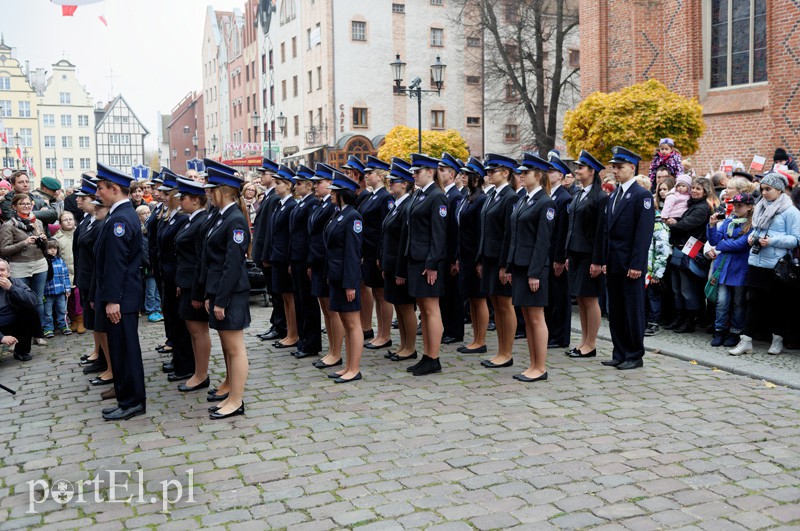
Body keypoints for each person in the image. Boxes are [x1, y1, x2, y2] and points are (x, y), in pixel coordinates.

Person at [93, 163, 146, 421]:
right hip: (121, 296)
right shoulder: (120, 215)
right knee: (120, 349)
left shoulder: (121, 219)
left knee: (126, 351)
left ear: (114, 189)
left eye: (101, 189)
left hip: (122, 298)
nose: (98, 194)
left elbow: (117, 264)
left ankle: (133, 401)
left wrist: (113, 300)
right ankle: (126, 398)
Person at [201, 160, 251, 418]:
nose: (208, 193)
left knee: (235, 348)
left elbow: (232, 265)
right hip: (220, 291)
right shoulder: (222, 217)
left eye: (212, 189)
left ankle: (237, 401)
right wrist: (211, 295)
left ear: (225, 191)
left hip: (231, 293)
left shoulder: (234, 219)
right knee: (228, 347)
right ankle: (231, 394)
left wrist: (220, 299)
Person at [729, 173, 800, 356]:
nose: (764, 192)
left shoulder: (790, 211)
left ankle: (777, 339)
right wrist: (753, 238)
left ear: (779, 189)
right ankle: (746, 341)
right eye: (762, 189)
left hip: (777, 265)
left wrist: (773, 240)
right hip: (756, 261)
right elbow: (755, 230)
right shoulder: (760, 206)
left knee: (777, 304)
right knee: (752, 301)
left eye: (768, 189)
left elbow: (796, 239)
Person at [602, 147, 655, 370]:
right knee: (615, 309)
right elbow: (608, 231)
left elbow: (643, 234)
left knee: (632, 309)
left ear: (632, 168)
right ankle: (619, 351)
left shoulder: (641, 195)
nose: (615, 170)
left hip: (630, 264)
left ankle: (634, 354)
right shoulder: (614, 194)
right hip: (614, 262)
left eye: (620, 167)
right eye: (613, 167)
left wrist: (636, 264)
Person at [507, 154, 555, 382]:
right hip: (519, 266)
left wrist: (535, 272)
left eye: (526, 173)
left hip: (534, 269)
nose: (522, 176)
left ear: (538, 174)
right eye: (521, 173)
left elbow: (543, 242)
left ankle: (541, 367)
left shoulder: (546, 203)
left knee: (536, 318)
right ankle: (533, 364)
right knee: (527, 316)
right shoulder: (524, 199)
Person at [400, 154, 448, 376]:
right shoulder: (420, 195)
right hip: (416, 259)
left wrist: (432, 264)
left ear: (430, 171)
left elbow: (439, 235)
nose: (413, 175)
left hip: (428, 262)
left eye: (417, 171)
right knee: (424, 309)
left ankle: (434, 357)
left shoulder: (437, 196)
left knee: (431, 309)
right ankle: (426, 355)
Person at [476, 154, 519, 369]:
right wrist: (480, 259)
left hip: (500, 260)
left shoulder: (510, 197)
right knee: (496, 304)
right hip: (489, 257)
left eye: (493, 171)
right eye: (488, 171)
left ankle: (507, 352)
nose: (489, 174)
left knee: (505, 305)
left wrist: (505, 265)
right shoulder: (492, 194)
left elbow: (508, 234)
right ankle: (500, 350)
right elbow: (484, 230)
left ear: (506, 173)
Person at [564, 150, 608, 359]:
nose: (577, 170)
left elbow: (601, 232)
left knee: (590, 299)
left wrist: (598, 260)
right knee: (581, 299)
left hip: (590, 255)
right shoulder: (579, 193)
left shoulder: (599, 197)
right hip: (575, 253)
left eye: (580, 167)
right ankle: (583, 340)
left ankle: (591, 343)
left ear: (592, 171)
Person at [323, 171, 365, 383]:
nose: (331, 194)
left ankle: (354, 368)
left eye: (335, 191)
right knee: (345, 321)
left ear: (344, 193)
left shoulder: (353, 216)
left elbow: (352, 253)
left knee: (352, 323)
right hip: (336, 276)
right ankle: (347, 365)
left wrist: (350, 284)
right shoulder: (338, 213)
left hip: (347, 278)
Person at [174, 177, 212, 392]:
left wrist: (198, 292)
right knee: (192, 329)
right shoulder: (192, 219)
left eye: (184, 198)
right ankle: (198, 371)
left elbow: (200, 260)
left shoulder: (201, 222)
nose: (180, 201)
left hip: (195, 286)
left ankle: (201, 374)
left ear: (196, 200)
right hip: (187, 283)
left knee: (199, 331)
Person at [663, 178, 715, 333]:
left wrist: (672, 224)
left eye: (698, 188)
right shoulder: (693, 205)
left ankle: (689, 321)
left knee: (687, 289)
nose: (694, 190)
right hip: (680, 250)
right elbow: (683, 221)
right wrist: (676, 220)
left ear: (705, 191)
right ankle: (680, 318)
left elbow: (686, 225)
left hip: (688, 251)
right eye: (693, 187)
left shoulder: (702, 207)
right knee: (677, 287)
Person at [155, 175, 193, 383]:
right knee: (171, 318)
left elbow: (181, 252)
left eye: (167, 194)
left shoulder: (182, 219)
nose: (163, 196)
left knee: (180, 322)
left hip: (176, 275)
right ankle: (179, 358)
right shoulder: (170, 216)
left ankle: (185, 362)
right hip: (167, 274)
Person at [380, 162, 417, 362]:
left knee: (405, 307)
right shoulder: (397, 205)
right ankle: (403, 345)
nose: (390, 185)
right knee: (398, 306)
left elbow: (405, 241)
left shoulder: (407, 205)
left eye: (393, 182)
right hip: (391, 263)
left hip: (400, 265)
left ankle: (410, 347)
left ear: (404, 184)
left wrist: (401, 270)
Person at [706, 192, 754, 348]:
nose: (736, 208)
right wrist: (712, 226)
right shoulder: (728, 222)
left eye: (740, 205)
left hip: (739, 269)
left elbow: (741, 245)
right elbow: (714, 240)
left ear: (749, 207)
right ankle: (719, 330)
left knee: (738, 303)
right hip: (723, 268)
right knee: (721, 302)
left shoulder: (751, 225)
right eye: (734, 205)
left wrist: (722, 245)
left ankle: (735, 332)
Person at [308, 164, 344, 369]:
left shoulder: (331, 206)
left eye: (318, 182)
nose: (315, 186)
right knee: (325, 309)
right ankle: (331, 349)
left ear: (330, 184)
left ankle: (336, 352)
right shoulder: (321, 204)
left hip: (325, 261)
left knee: (332, 310)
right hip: (317, 261)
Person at [0, 193, 49, 343]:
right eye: (22, 204)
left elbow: (45, 248)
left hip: (39, 263)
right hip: (19, 265)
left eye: (29, 203)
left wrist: (44, 240)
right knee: (20, 300)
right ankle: (20, 337)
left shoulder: (37, 222)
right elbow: (3, 250)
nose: (26, 206)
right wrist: (24, 242)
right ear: (14, 207)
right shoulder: (9, 225)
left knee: (38, 300)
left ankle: (38, 334)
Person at [359, 156, 394, 350]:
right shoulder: (372, 196)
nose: (366, 176)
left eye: (370, 173)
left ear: (380, 175)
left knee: (382, 295)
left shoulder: (385, 197)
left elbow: (384, 228)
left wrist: (381, 254)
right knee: (376, 294)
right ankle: (380, 332)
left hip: (377, 251)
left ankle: (385, 334)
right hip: (369, 251)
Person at [287, 165, 322, 359]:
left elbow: (311, 236)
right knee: (300, 300)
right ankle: (303, 340)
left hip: (304, 257)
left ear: (309, 185)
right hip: (296, 257)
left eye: (299, 183)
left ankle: (311, 343)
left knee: (308, 302)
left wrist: (309, 262)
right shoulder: (301, 203)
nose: (296, 186)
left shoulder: (312, 204)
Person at [455, 157, 489, 354]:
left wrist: (479, 260)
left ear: (476, 177)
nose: (463, 177)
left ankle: (481, 340)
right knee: (472, 299)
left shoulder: (481, 199)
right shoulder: (468, 198)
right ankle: (475, 338)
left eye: (467, 174)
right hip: (465, 255)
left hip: (474, 255)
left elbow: (480, 232)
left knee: (479, 298)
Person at [252, 159, 287, 342]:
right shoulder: (268, 196)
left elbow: (269, 229)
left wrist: (265, 254)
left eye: (264, 173)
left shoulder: (273, 197)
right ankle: (277, 322)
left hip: (270, 253)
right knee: (274, 291)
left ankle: (281, 324)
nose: (261, 176)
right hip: (264, 251)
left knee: (277, 292)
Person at [266, 165, 299, 349]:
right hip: (277, 256)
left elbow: (290, 236)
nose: (276, 186)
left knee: (290, 297)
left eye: (279, 183)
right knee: (285, 297)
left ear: (288, 185)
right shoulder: (281, 204)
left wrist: (288, 260)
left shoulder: (291, 205)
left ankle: (293, 333)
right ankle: (289, 331)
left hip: (284, 257)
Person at [342, 155, 374, 340]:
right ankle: (362, 324)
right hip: (359, 248)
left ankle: (366, 325)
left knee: (364, 287)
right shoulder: (356, 197)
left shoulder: (365, 197)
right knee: (361, 286)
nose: (346, 176)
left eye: (348, 173)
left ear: (356, 176)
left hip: (365, 249)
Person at [544, 151, 573, 349]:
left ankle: (560, 336)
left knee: (560, 298)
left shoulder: (563, 198)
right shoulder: (548, 195)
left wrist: (560, 258)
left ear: (561, 176)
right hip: (547, 253)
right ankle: (550, 333)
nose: (548, 174)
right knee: (549, 297)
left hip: (557, 254)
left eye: (552, 171)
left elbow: (563, 231)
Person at [438, 152, 465, 345]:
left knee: (453, 294)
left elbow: (456, 230)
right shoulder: (445, 194)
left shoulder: (455, 197)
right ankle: (446, 327)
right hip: (444, 252)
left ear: (452, 174)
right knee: (445, 294)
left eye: (442, 170)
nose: (439, 173)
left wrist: (456, 257)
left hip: (451, 253)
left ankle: (455, 331)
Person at [0, 258, 39, 361]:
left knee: (30, 312)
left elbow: (33, 300)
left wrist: (11, 288)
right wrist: (1, 337)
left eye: (2, 270)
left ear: (8, 273)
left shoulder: (15, 283)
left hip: (14, 324)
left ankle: (21, 351)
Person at [54, 211, 81, 333]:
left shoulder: (80, 232)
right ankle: (73, 319)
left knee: (79, 296)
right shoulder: (57, 238)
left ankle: (81, 319)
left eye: (71, 219)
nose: (69, 221)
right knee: (68, 298)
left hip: (79, 271)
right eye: (65, 220)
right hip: (65, 273)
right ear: (60, 223)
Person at [42, 239, 71, 338]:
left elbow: (65, 276)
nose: (53, 250)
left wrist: (67, 288)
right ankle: (48, 328)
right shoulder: (44, 262)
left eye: (54, 248)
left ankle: (64, 326)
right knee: (48, 312)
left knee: (62, 310)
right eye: (50, 248)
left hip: (60, 291)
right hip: (48, 292)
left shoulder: (61, 261)